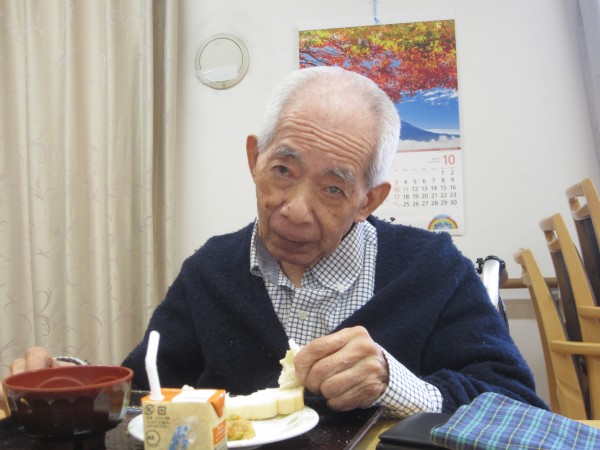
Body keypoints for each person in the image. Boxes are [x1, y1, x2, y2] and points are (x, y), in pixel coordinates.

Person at [0, 66, 546, 418]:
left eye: (333, 188)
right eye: (282, 170)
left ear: (369, 201)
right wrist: (62, 379)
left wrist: (394, 383)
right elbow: (145, 393)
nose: (294, 209)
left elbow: (517, 407)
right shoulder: (211, 270)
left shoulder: (431, 268)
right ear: (254, 159)